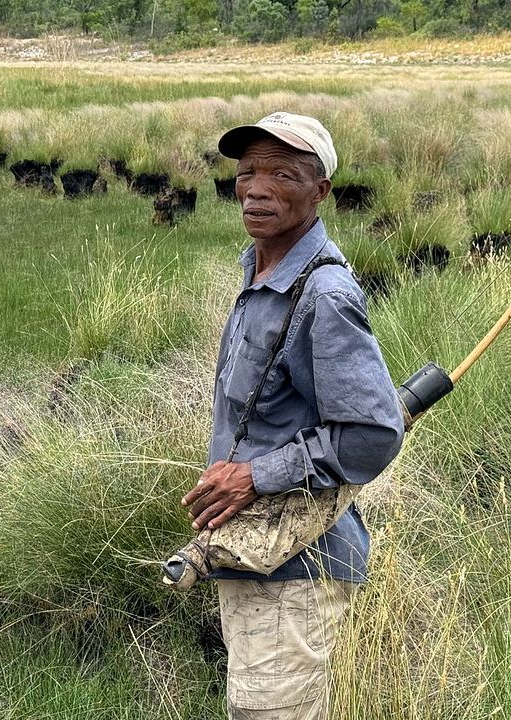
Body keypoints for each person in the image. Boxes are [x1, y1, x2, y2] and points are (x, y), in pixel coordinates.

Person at [180, 112, 405, 719]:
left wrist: (254, 476)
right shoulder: (258, 268)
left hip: (297, 565)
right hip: (255, 551)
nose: (257, 188)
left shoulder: (323, 295)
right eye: (247, 171)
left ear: (320, 190)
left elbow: (371, 436)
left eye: (283, 174)